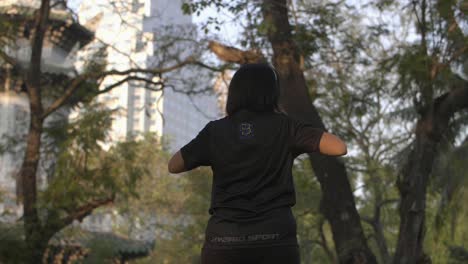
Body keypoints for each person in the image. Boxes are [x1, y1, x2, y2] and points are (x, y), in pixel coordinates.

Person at [168, 63, 347, 264]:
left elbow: (173, 165)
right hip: (275, 240)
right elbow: (339, 147)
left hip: (224, 241)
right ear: (272, 93)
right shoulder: (285, 127)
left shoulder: (215, 131)